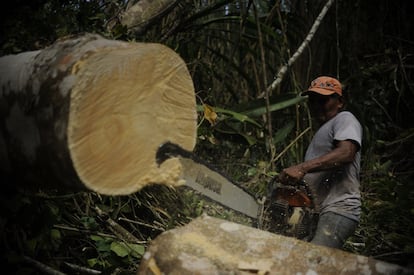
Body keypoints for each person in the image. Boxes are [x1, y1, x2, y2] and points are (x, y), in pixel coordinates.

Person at [278, 76, 362, 249]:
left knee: (314, 260)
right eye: (313, 101)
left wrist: (302, 168)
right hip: (318, 211)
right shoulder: (324, 130)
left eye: (323, 100)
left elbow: (347, 152)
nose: (317, 105)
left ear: (340, 102)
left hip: (339, 209)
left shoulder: (344, 119)